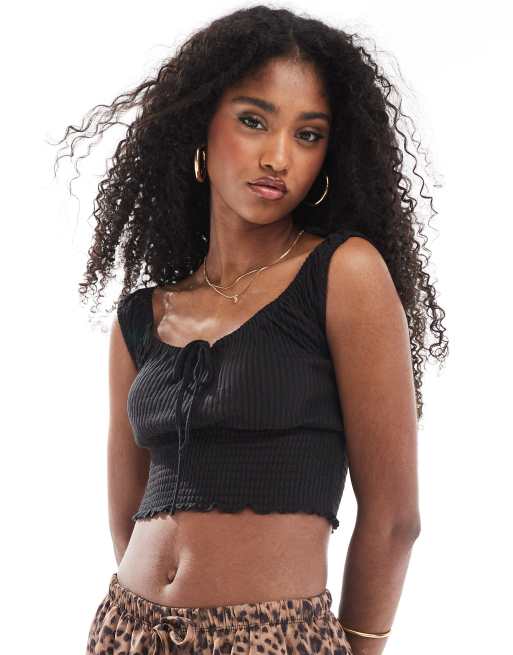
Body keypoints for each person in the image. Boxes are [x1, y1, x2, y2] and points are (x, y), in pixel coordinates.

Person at [54, 6, 447, 655]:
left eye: (307, 134)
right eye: (254, 120)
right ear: (200, 126)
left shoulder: (343, 275)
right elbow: (126, 516)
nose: (277, 156)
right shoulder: (140, 319)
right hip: (128, 631)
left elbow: (394, 520)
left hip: (276, 639)